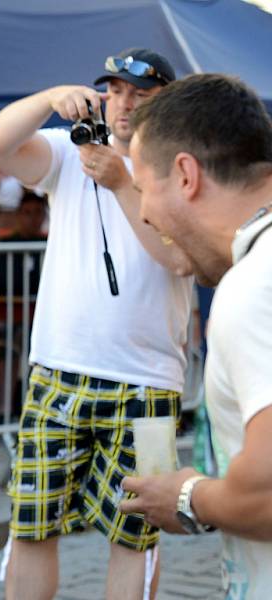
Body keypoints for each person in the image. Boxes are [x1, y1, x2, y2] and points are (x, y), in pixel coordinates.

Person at [0, 47, 194, 600]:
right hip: (58, 369)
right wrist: (49, 98)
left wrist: (123, 182)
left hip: (149, 382)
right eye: (115, 90)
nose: (124, 104)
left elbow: (179, 258)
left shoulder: (180, 168)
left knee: (138, 534)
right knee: (31, 525)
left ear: (165, 101)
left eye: (140, 94)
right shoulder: (69, 151)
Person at [117, 74, 272, 600]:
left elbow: (268, 493)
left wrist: (185, 497)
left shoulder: (253, 287)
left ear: (185, 174)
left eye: (141, 188)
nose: (142, 212)